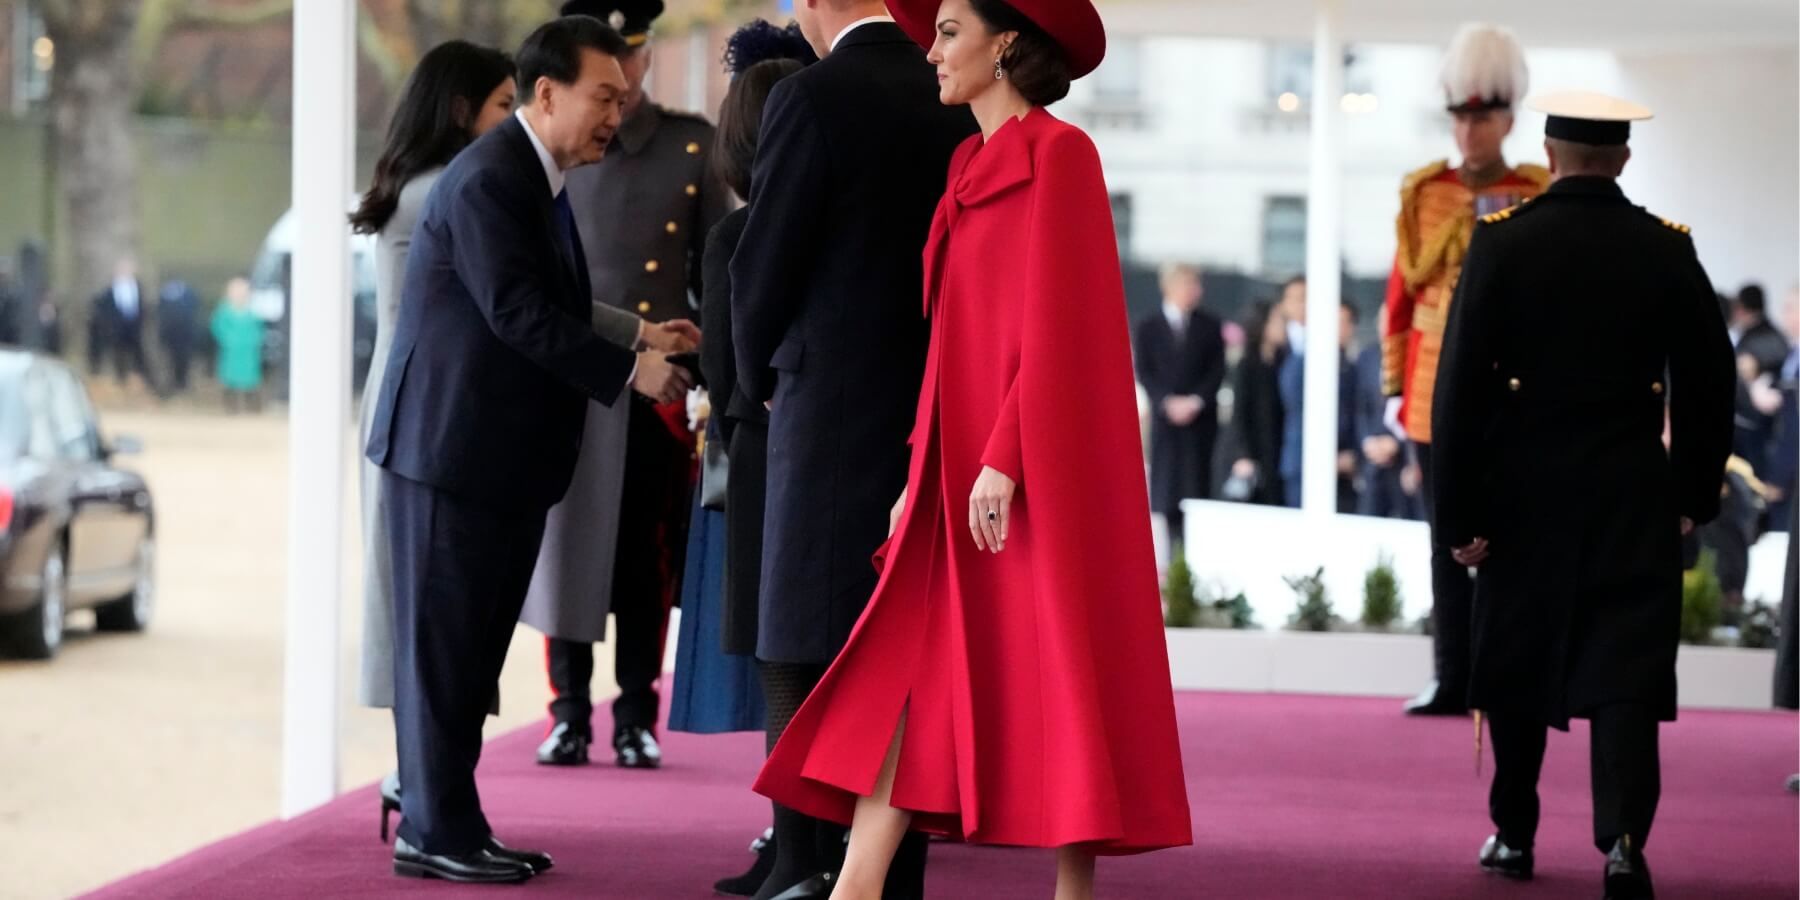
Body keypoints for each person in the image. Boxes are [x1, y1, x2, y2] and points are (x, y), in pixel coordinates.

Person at [753, 2, 1193, 899]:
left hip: (1029, 475)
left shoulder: (1063, 156)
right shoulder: (964, 160)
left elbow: (1062, 331)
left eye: (950, 30)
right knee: (914, 678)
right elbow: (947, 342)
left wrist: (1003, 457)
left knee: (1068, 666)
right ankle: (857, 885)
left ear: (1008, 43)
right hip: (954, 477)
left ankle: (1068, 890)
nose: (932, 49)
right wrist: (919, 469)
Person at [363, 16, 691, 883]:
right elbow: (518, 312)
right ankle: (434, 831)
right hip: (447, 454)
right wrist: (632, 370)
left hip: (491, 459)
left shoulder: (530, 174)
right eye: (604, 95)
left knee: (468, 656)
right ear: (546, 94)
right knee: (444, 657)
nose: (617, 114)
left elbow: (548, 302)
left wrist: (639, 336)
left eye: (623, 96)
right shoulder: (489, 180)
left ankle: (445, 822)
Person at [1430, 91, 1735, 900]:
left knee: (1517, 659)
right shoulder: (1666, 249)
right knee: (1625, 673)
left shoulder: (1502, 244)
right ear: (1624, 161)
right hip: (1631, 488)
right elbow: (1710, 384)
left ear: (1550, 153)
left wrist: (1460, 516)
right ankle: (1625, 843)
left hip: (1522, 491)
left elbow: (1458, 390)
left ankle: (1513, 834)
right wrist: (1692, 495)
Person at [728, 0, 978, 894]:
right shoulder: (954, 90)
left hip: (825, 403)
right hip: (937, 403)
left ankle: (800, 862)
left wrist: (751, 371)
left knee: (797, 635)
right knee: (896, 640)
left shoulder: (813, 96)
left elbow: (765, 260)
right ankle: (888, 868)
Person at [527, 0, 721, 775]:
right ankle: (568, 711)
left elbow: (712, 270)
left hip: (656, 381)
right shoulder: (556, 147)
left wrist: (701, 368)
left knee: (648, 553)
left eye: (634, 55)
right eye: (611, 58)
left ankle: (637, 712)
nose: (626, 74)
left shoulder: (689, 145)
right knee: (566, 545)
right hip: (574, 373)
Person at [347, 38, 520, 833]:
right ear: (461, 111)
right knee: (424, 607)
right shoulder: (446, 189)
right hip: (424, 411)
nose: (514, 123)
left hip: (417, 403)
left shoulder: (433, 184)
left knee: (426, 604)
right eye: (502, 107)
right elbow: (511, 295)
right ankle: (419, 781)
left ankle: (422, 778)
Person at [1387, 23, 1549, 717]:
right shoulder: (1425, 191)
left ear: (1507, 120)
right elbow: (1400, 296)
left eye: (1481, 117)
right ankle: (1451, 673)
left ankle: (1506, 676)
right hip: (1431, 388)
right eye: (1460, 117)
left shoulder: (1535, 189)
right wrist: (1395, 385)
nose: (1468, 131)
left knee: (1513, 537)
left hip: (1509, 385)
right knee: (1443, 537)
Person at [695, 21, 815, 897]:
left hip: (767, 464)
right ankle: (806, 846)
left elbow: (729, 377)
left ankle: (793, 849)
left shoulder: (737, 242)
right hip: (828, 462)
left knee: (783, 670)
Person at [1133, 262, 1225, 558]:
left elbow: (1217, 370)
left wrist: (1196, 401)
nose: (1194, 291)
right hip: (1166, 424)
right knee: (1168, 493)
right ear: (1169, 287)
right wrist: (1165, 402)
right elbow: (1144, 370)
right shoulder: (1148, 326)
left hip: (1200, 425)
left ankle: (1193, 559)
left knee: (1197, 491)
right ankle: (1174, 564)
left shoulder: (1210, 325)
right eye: (1187, 284)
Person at [1227, 299, 1287, 505]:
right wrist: (1242, 455)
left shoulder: (1282, 361)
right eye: (1277, 321)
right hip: (1254, 451)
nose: (1283, 326)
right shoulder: (1246, 365)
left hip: (1277, 449)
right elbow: (1239, 414)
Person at [94, 257, 158, 393]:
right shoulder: (109, 291)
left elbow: (144, 308)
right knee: (118, 354)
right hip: (117, 328)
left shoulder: (139, 288)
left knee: (139, 354)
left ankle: (145, 381)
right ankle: (121, 380)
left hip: (134, 327)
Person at [210, 278, 264, 412]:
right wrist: (227, 339)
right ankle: (231, 407)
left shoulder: (252, 311)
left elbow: (259, 329)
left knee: (250, 379)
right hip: (231, 351)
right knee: (230, 378)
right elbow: (217, 327)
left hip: (248, 351)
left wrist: (255, 340)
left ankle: (252, 407)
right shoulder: (224, 311)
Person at [157, 278, 202, 393]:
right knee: (170, 361)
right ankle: (173, 383)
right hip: (170, 336)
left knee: (184, 360)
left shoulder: (188, 294)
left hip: (185, 335)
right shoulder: (164, 295)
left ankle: (182, 383)